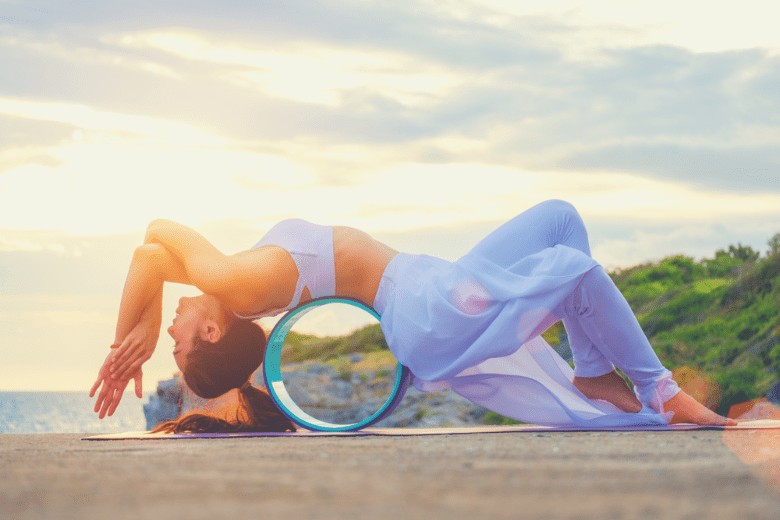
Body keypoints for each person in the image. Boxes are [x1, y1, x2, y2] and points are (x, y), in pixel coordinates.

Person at [91, 200, 734, 431]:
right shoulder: (231, 280)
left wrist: (138, 335)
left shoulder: (233, 281)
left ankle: (594, 368)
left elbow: (152, 254)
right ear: (212, 331)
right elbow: (157, 239)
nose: (171, 325)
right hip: (424, 307)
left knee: (562, 223)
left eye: (169, 335)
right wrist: (138, 337)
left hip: (431, 283)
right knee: (578, 269)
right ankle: (658, 388)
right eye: (178, 341)